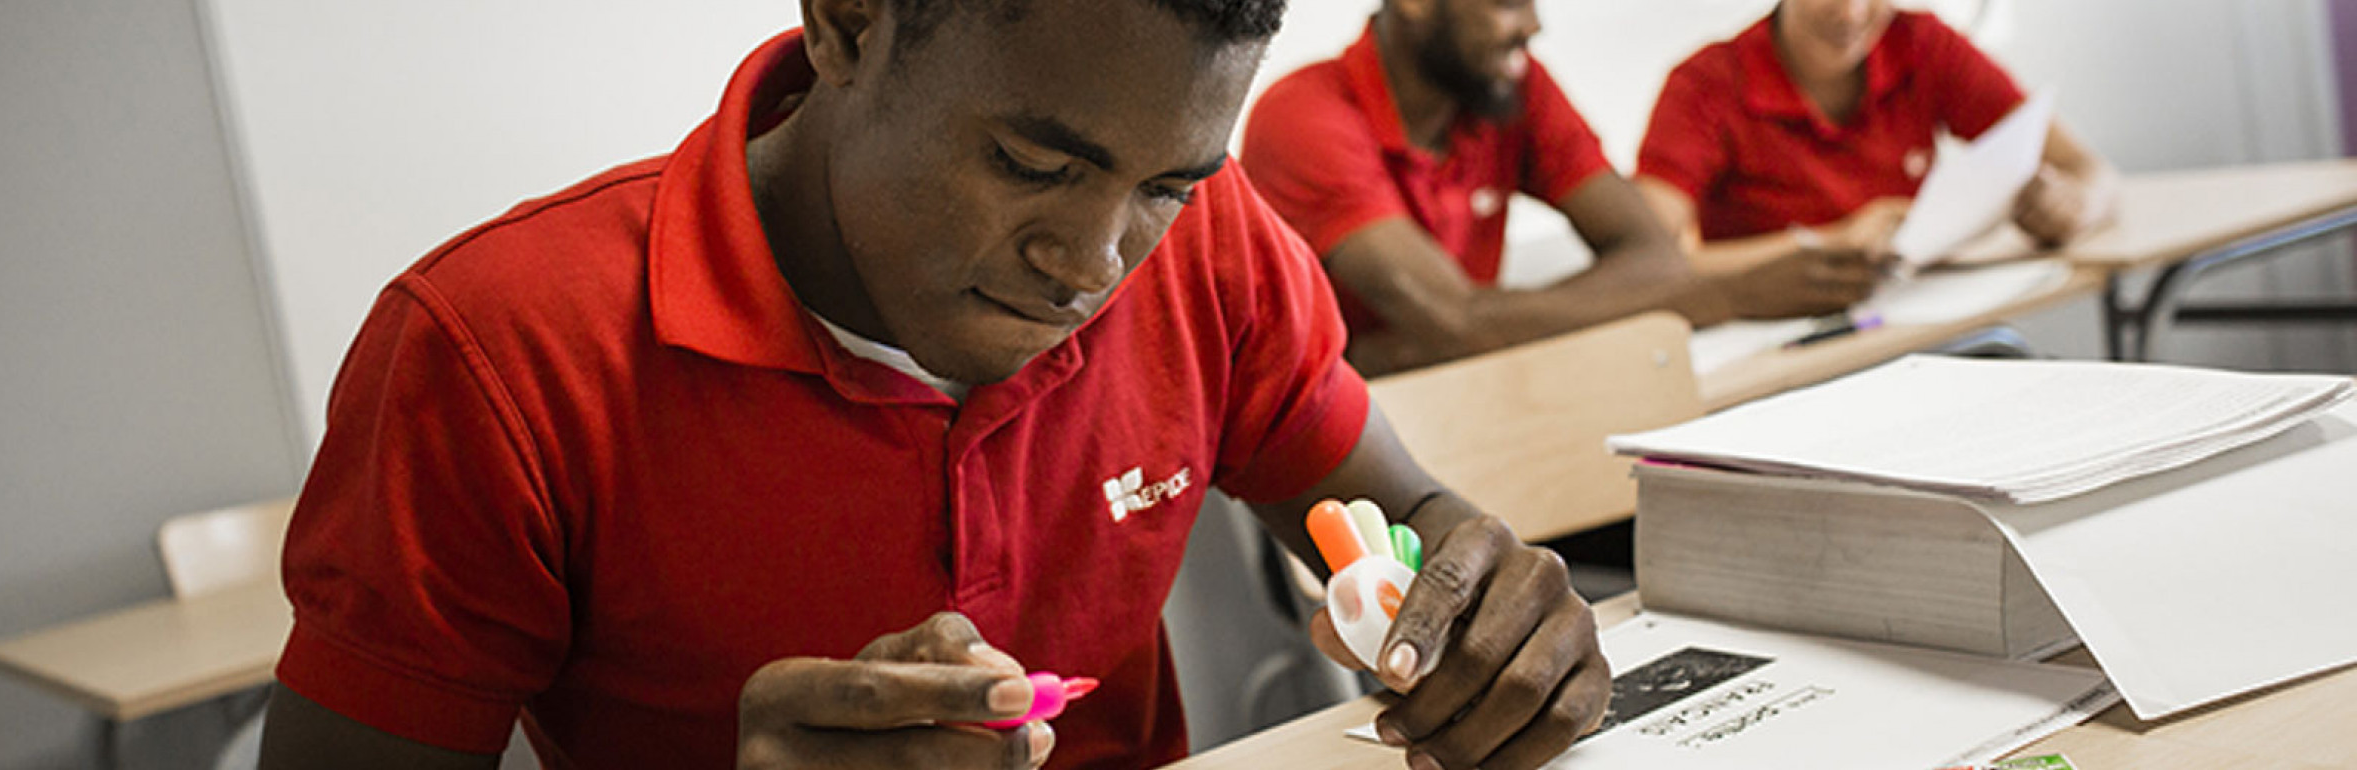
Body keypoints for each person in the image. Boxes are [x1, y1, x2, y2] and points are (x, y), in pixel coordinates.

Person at [254, 1, 1611, 769]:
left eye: (1166, 183)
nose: (1095, 263)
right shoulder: (500, 353)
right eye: (1033, 165)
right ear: (851, 20)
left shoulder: (1214, 248)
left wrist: (1497, 614)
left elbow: (1407, 521)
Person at [1241, 0, 1787, 377]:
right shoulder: (1302, 116)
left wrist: (1417, 346)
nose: (1533, 25)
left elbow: (1657, 256)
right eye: (1506, 2)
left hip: (1464, 401)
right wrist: (1721, 298)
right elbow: (1459, 325)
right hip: (1324, 463)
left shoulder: (1512, 88)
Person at [1635, 0, 2120, 317]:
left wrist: (2075, 204)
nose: (1851, 14)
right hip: (1783, 354)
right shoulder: (1705, 87)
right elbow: (1644, 265)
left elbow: (2090, 170)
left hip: (1919, 328)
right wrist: (1832, 243)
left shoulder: (1922, 44)